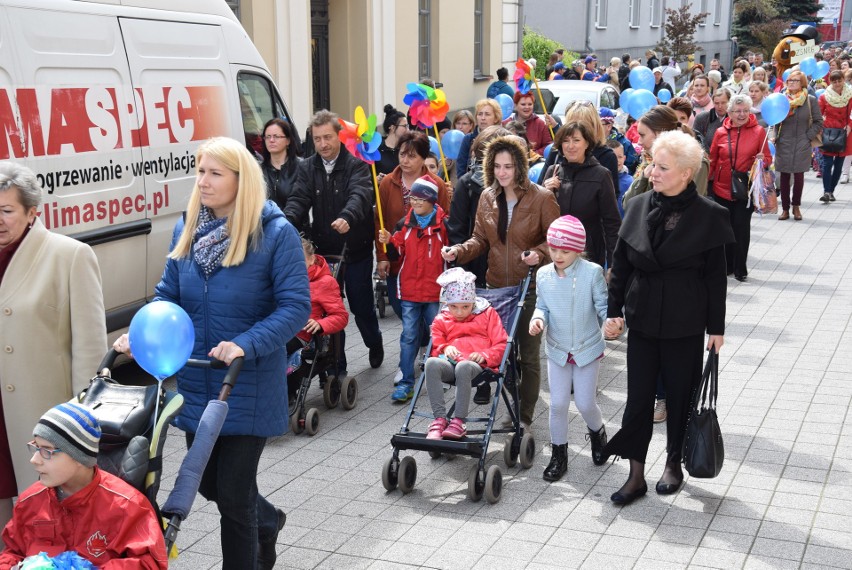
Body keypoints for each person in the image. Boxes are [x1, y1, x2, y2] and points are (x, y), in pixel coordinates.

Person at [115, 136, 310, 569]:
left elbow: (296, 308)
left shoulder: (274, 234)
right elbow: (167, 295)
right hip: (200, 380)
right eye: (199, 170)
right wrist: (140, 332)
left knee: (234, 498)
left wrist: (246, 342)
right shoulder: (186, 227)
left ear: (242, 181)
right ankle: (269, 520)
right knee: (205, 481)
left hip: (247, 381)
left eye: (214, 173)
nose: (202, 181)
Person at [602, 130, 734, 506]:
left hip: (684, 320)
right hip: (642, 316)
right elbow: (621, 263)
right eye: (652, 164)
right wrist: (614, 312)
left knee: (680, 396)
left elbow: (714, 277)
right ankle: (635, 473)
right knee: (639, 398)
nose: (653, 172)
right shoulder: (640, 203)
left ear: (686, 173)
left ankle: (674, 463)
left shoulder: (710, 216)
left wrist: (717, 328)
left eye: (662, 167)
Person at [0, 162, 106, 538]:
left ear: (32, 212)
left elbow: (91, 351)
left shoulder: (69, 255)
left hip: (40, 420)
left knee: (46, 526)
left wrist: (79, 427)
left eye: (6, 210)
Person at [442, 135, 560, 427]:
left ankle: (524, 416)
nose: (503, 172)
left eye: (508, 166)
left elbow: (555, 241)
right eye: (497, 166)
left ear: (520, 166)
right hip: (497, 289)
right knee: (503, 354)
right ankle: (512, 404)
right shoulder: (486, 198)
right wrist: (458, 251)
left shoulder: (542, 197)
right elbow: (480, 240)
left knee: (529, 356)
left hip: (531, 288)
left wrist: (540, 253)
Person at [0, 403, 167, 567]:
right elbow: (13, 552)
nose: (34, 460)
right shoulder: (30, 502)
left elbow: (150, 562)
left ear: (79, 456)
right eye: (35, 447)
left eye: (47, 450)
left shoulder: (127, 506)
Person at [286, 110, 385, 373]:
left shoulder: (357, 162)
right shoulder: (307, 166)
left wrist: (348, 217)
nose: (323, 144)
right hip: (325, 251)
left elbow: (361, 195)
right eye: (317, 139)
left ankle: (374, 342)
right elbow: (298, 199)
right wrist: (286, 220)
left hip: (356, 248)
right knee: (329, 309)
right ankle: (335, 366)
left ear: (339, 136)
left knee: (361, 304)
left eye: (327, 137)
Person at [529, 216, 608, 482]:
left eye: (565, 250)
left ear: (578, 249)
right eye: (553, 249)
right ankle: (558, 455)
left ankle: (597, 432)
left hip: (587, 348)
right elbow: (542, 305)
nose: (558, 255)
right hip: (558, 348)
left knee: (586, 403)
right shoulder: (543, 274)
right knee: (558, 404)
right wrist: (538, 319)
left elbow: (603, 306)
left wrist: (612, 322)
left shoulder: (592, 272)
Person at [378, 176, 449, 403]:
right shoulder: (405, 224)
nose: (415, 203)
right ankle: (406, 382)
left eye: (420, 199)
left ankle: (438, 377)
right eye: (413, 198)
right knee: (408, 336)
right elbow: (397, 250)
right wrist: (388, 240)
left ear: (431, 200)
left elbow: (455, 250)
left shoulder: (444, 225)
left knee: (437, 336)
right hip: (409, 291)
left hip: (434, 292)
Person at [423, 268, 508, 440]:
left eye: (465, 307)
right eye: (454, 306)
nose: (459, 312)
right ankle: (439, 419)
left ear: (473, 303)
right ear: (448, 304)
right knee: (430, 363)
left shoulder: (487, 314)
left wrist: (485, 354)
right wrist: (445, 347)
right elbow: (437, 341)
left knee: (463, 366)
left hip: (477, 365)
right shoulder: (443, 318)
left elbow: (501, 343)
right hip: (450, 362)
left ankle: (458, 421)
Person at [708, 93, 773, 282]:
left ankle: (740, 267)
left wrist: (764, 160)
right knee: (724, 229)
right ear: (730, 113)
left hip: (746, 189)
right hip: (721, 188)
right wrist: (706, 181)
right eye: (738, 111)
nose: (742, 114)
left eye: (745, 110)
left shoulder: (759, 131)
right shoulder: (721, 132)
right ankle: (726, 265)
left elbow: (768, 158)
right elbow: (713, 159)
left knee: (741, 228)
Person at [542, 122, 621, 269]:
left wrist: (613, 265)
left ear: (587, 144)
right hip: (555, 253)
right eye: (566, 141)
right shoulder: (553, 172)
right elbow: (538, 217)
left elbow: (612, 224)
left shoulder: (601, 175)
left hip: (588, 256)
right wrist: (545, 193)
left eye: (576, 140)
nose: (570, 146)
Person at [446, 125, 512, 287]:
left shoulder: (518, 186)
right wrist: (463, 271)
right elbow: (457, 229)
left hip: (511, 269)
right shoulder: (467, 184)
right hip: (476, 267)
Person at [286, 238, 349, 398]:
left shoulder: (325, 282)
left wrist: (321, 324)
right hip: (284, 329)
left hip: (307, 336)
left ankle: (288, 393)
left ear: (312, 258)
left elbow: (340, 316)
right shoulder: (283, 279)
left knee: (279, 349)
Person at [623, 106, 709, 208]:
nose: (639, 142)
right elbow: (628, 204)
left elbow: (693, 207)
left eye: (642, 135)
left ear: (660, 134)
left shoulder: (694, 161)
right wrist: (644, 177)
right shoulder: (648, 159)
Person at [772, 70, 822, 220]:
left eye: (795, 80)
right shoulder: (781, 99)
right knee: (784, 175)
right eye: (789, 80)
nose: (791, 83)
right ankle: (785, 208)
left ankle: (796, 206)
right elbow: (774, 119)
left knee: (799, 175)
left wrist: (808, 137)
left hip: (802, 141)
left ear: (803, 83)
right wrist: (775, 136)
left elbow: (819, 121)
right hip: (784, 141)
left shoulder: (810, 100)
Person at [818, 69, 852, 203]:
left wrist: (849, 126)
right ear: (830, 82)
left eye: (840, 80)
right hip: (829, 132)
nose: (837, 83)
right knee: (827, 164)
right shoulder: (824, 97)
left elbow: (851, 115)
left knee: (838, 166)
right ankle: (826, 191)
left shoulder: (850, 96)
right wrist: (821, 128)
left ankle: (831, 190)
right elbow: (818, 116)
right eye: (834, 81)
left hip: (845, 133)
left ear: (844, 80)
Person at [260, 118, 302, 217]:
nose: (271, 140)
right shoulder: (258, 170)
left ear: (288, 141)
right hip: (267, 228)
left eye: (276, 136)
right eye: (268, 137)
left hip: (296, 228)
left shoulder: (302, 167)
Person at [456, 99, 503, 178]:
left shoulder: (502, 138)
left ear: (496, 118)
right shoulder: (468, 139)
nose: (483, 118)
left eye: (487, 114)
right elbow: (461, 168)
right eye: (480, 114)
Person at [504, 91, 554, 156]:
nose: (527, 107)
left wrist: (533, 154)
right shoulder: (506, 123)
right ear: (515, 106)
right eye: (523, 104)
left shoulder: (540, 124)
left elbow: (548, 146)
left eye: (530, 104)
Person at [601, 107, 639, 174]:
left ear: (609, 126)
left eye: (597, 125)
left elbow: (632, 168)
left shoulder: (625, 144)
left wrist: (621, 170)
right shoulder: (590, 142)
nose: (593, 128)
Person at [694, 88, 731, 152]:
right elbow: (696, 140)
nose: (720, 106)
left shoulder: (734, 120)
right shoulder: (702, 118)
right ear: (713, 103)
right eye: (716, 103)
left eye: (723, 103)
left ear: (729, 102)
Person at [376, 104, 408, 177]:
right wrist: (376, 179)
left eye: (408, 126)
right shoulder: (377, 148)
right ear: (393, 128)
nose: (408, 130)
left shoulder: (406, 148)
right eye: (404, 126)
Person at [606, 139, 633, 218]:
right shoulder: (601, 179)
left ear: (624, 158)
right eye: (613, 157)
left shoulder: (630, 181)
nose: (617, 161)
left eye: (620, 157)